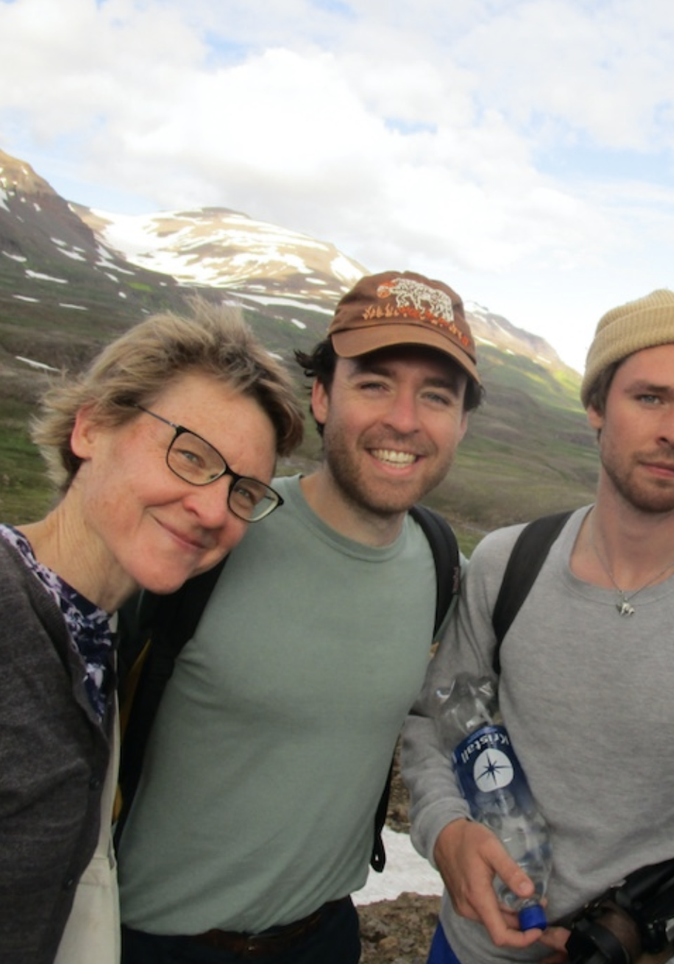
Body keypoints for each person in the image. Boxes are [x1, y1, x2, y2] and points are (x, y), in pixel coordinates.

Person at [401, 289, 674, 964]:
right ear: (597, 407)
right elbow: (434, 720)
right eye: (650, 397)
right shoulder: (506, 566)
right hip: (472, 949)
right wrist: (446, 832)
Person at [0, 306, 305, 964]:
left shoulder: (99, 637)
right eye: (190, 454)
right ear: (91, 426)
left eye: (243, 490)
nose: (213, 508)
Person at [115, 270, 482, 963]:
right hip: (154, 941)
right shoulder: (216, 528)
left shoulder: (441, 565)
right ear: (320, 395)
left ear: (461, 423)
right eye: (374, 383)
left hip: (327, 938)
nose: (404, 418)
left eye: (436, 396)